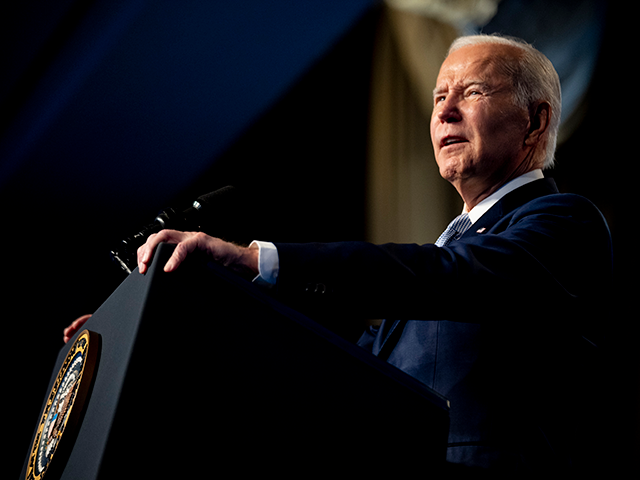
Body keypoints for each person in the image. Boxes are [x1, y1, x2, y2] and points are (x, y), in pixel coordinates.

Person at [65, 34, 613, 474]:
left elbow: (445, 276)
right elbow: (333, 369)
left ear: (535, 121)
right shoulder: (453, 246)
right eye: (438, 96)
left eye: (472, 93)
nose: (444, 112)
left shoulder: (562, 224)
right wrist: (155, 340)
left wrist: (257, 259)